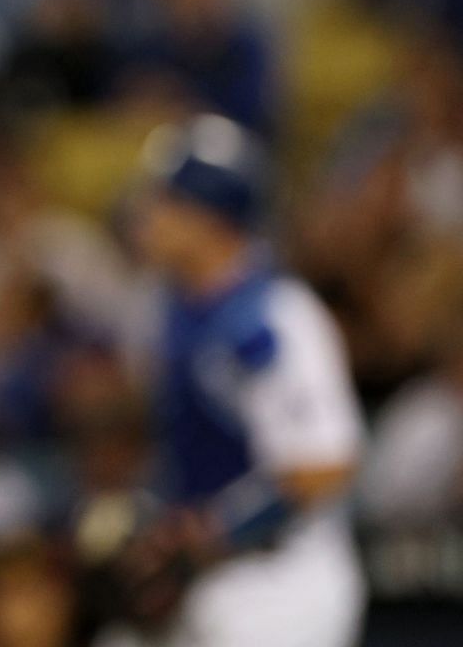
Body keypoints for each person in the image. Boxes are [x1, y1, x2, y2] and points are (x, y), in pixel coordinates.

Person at [101, 114, 367, 647]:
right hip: (213, 578)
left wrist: (212, 531)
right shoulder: (170, 307)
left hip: (281, 582)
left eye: (164, 201)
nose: (146, 215)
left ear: (208, 216)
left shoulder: (273, 316)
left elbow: (323, 467)